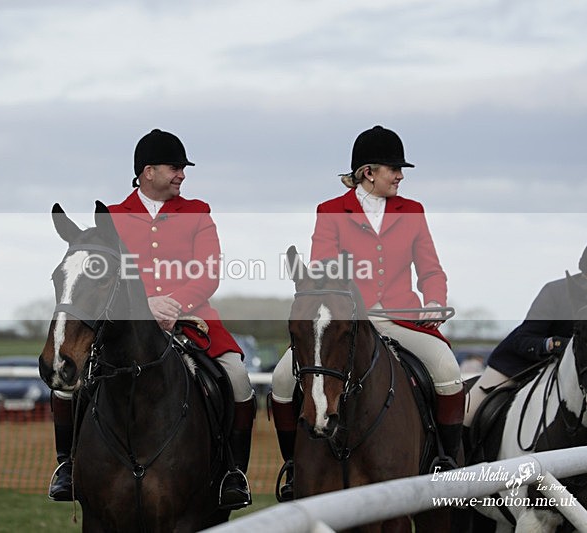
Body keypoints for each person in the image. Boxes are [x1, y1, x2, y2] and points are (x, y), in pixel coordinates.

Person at [48, 129, 255, 510]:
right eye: (175, 167)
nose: (182, 175)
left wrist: (173, 303)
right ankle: (68, 465)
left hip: (195, 320)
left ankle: (232, 473)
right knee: (67, 386)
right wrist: (146, 306)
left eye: (182, 169)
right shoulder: (111, 217)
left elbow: (209, 274)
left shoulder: (197, 212)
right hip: (129, 325)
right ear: (148, 171)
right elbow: (106, 275)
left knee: (238, 379)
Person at [270, 125, 464, 499]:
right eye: (394, 169)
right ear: (368, 172)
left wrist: (434, 300)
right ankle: (294, 468)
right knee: (281, 380)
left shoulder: (413, 210)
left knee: (447, 370)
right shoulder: (330, 211)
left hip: (401, 318)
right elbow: (324, 270)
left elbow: (430, 269)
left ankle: (445, 460)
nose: (401, 176)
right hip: (347, 321)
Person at [464, 232, 587, 429]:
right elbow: (523, 339)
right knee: (467, 414)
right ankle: (453, 459)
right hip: (519, 367)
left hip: (572, 374)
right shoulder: (555, 292)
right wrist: (555, 344)